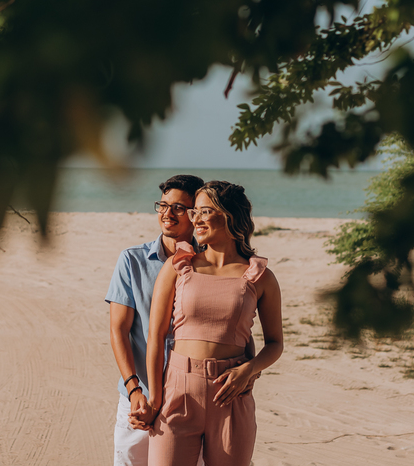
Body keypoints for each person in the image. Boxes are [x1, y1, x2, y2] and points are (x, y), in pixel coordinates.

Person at [136, 180, 284, 466]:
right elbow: (155, 335)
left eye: (205, 211)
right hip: (177, 392)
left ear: (230, 216)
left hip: (231, 394)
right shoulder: (178, 266)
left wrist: (249, 369)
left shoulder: (261, 277)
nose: (196, 220)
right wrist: (154, 399)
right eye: (195, 212)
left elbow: (275, 343)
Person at [105, 174, 204, 466]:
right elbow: (119, 330)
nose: (167, 213)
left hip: (190, 401)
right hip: (140, 398)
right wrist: (134, 390)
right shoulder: (132, 260)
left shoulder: (209, 263)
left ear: (195, 214)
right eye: (163, 205)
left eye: (178, 208)